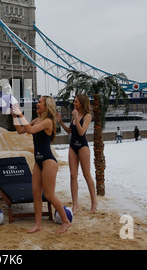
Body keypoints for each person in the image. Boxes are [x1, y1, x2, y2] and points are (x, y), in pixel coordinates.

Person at [12, 96, 71, 234]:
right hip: (38, 161)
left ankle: (66, 221)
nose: (37, 104)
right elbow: (21, 130)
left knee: (49, 195)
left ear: (46, 106)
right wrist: (14, 115)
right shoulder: (37, 120)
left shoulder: (48, 121)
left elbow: (31, 130)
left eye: (39, 102)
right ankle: (38, 224)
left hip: (48, 161)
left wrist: (20, 113)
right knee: (36, 193)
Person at [57, 94, 97, 214]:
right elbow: (69, 131)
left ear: (82, 103)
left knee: (87, 175)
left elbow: (81, 132)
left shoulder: (87, 116)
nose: (74, 103)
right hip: (72, 146)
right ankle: (75, 204)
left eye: (76, 102)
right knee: (73, 175)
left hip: (83, 146)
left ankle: (94, 203)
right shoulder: (74, 115)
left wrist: (76, 117)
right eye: (74, 101)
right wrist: (60, 122)